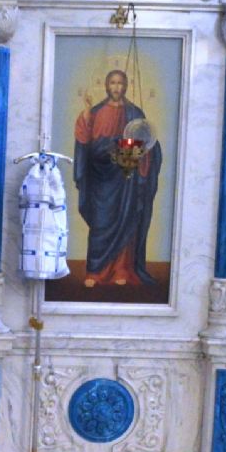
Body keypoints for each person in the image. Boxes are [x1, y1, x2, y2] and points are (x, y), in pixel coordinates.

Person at [72, 69, 163, 288]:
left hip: (125, 179)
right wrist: (85, 117)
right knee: (100, 223)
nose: (116, 87)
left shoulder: (135, 113)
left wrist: (146, 150)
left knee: (126, 219)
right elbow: (85, 143)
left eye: (120, 83)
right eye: (112, 82)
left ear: (126, 86)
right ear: (106, 85)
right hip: (99, 178)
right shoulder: (95, 112)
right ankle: (95, 272)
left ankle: (122, 269)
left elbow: (146, 142)